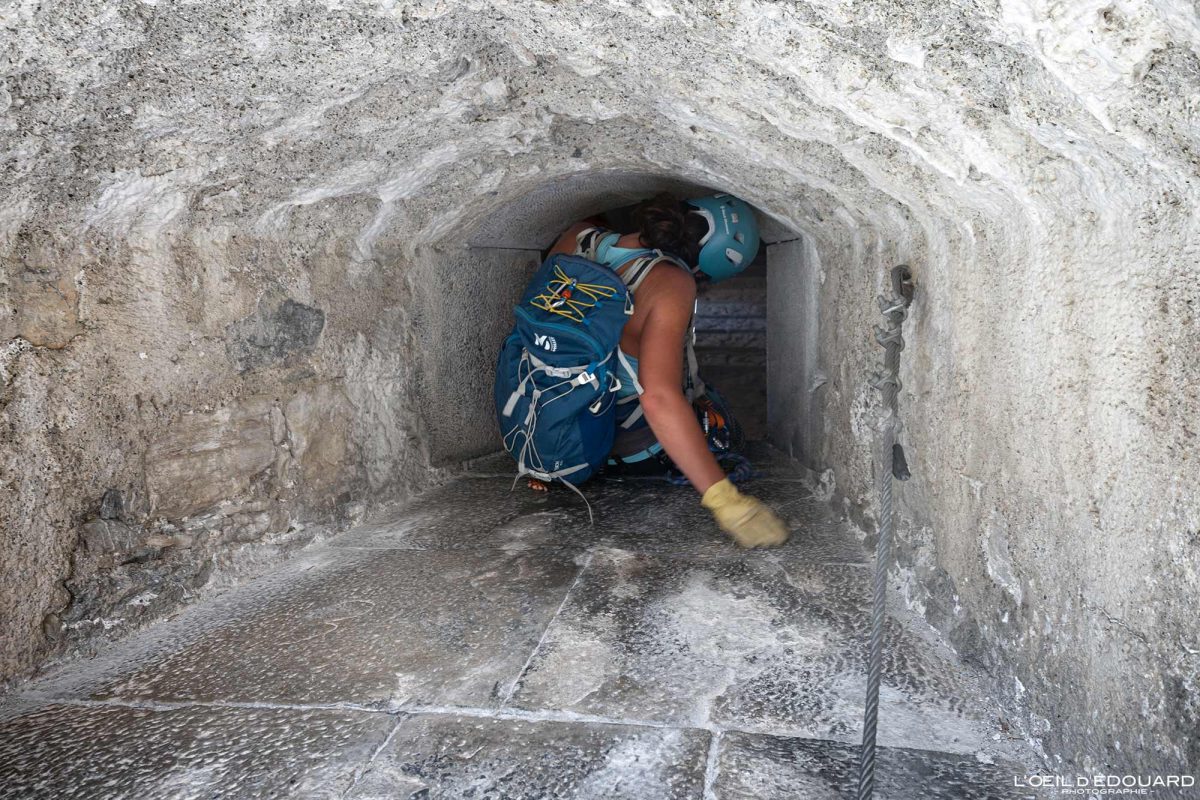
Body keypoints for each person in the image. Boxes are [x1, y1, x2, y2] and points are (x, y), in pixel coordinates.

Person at [544, 192, 790, 549]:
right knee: (714, 417)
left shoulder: (578, 236)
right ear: (702, 266)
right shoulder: (670, 283)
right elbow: (658, 397)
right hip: (612, 446)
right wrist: (726, 501)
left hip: (540, 423)